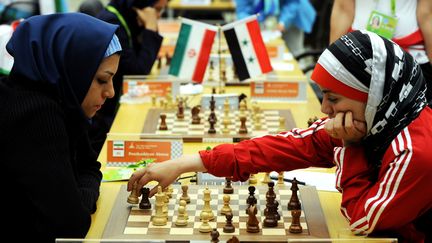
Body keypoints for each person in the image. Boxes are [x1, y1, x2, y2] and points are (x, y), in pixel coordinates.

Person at [128, 30, 432, 242]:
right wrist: (186, 164)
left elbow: (363, 220)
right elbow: (282, 147)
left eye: (333, 98)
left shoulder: (414, 152)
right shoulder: (377, 119)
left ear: (373, 95)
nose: (324, 108)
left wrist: (348, 145)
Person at [0, 13, 121, 242]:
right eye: (102, 80)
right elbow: (71, 225)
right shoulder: (35, 114)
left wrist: (78, 193)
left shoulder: (61, 100)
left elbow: (91, 167)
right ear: (72, 70)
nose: (110, 92)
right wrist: (82, 195)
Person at [91, 0, 167, 154]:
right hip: (102, 120)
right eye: (157, 9)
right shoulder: (113, 22)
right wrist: (151, 28)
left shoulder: (127, 18)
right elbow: (137, 72)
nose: (157, 16)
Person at [329, 0, 432, 102]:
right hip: (360, 56)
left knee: (419, 114)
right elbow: (343, 9)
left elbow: (427, 14)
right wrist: (332, 64)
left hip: (413, 55)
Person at [234, 0, 316, 56]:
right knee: (266, 51)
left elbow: (293, 3)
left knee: (293, 53)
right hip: (264, 16)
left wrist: (283, 21)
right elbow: (242, 10)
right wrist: (251, 24)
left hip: (292, 15)